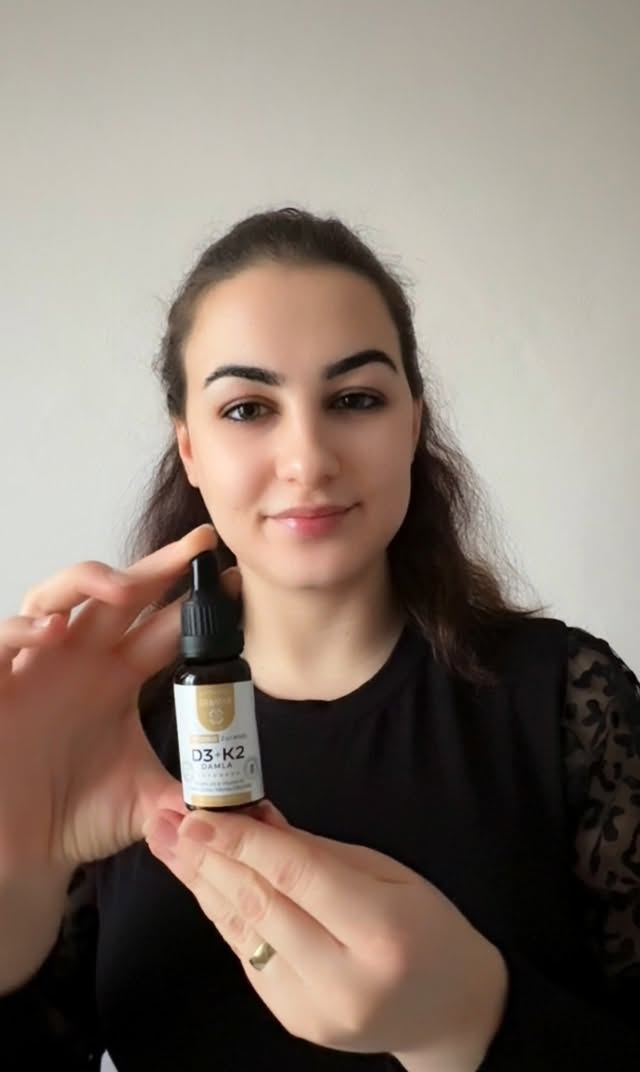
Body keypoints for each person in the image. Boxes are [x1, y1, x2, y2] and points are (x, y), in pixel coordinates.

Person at [0, 208, 638, 1072]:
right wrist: (14, 896)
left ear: (413, 423)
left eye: (354, 399)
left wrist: (475, 1021)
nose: (307, 459)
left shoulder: (571, 702)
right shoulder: (107, 738)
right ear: (189, 450)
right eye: (247, 408)